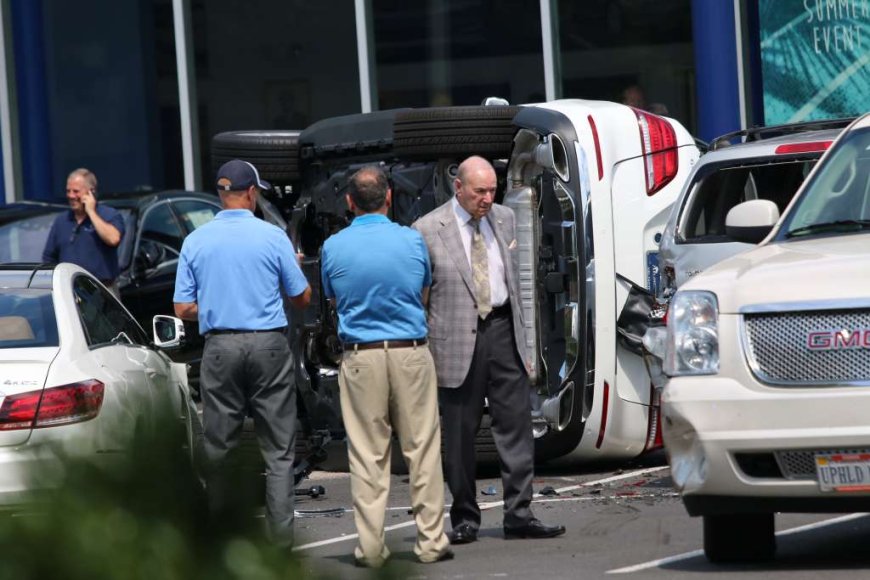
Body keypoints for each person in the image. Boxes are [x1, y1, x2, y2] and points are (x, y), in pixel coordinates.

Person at [413, 156, 566, 544]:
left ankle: (519, 513)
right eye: (479, 191)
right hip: (455, 340)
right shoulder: (427, 229)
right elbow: (421, 297)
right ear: (458, 188)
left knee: (516, 427)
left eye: (492, 190)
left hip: (502, 330)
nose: (486, 198)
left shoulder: (505, 218)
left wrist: (526, 342)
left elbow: (515, 285)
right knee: (460, 435)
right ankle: (465, 517)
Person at [173, 159, 311, 547]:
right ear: (251, 193)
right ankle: (281, 544)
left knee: (220, 446)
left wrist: (218, 303)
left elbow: (182, 309)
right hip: (267, 344)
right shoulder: (272, 237)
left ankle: (223, 538)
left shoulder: (195, 241)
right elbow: (302, 297)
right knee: (278, 449)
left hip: (220, 347)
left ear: (221, 195)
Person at [321, 166, 452, 568]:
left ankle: (372, 548)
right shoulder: (411, 240)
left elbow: (332, 298)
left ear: (349, 202)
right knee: (423, 449)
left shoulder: (334, 246)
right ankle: (431, 541)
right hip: (409, 351)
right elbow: (423, 290)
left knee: (367, 454)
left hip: (361, 355)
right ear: (389, 197)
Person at [42, 168, 125, 296]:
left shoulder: (109, 215)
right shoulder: (61, 221)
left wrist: (91, 212)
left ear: (91, 192)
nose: (71, 196)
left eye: (76, 191)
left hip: (103, 292)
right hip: (70, 293)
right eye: (68, 191)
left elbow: (113, 239)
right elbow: (49, 258)